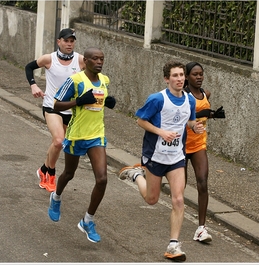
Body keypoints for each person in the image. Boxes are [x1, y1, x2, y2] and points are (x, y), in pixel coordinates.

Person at [118, 61, 204, 262]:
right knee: (151, 199)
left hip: (176, 157)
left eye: (182, 75)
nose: (180, 79)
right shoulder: (157, 99)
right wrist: (161, 132)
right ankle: (137, 174)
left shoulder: (190, 101)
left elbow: (189, 120)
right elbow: (140, 120)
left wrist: (194, 127)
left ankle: (173, 245)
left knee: (178, 199)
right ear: (167, 79)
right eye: (175, 76)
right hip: (155, 156)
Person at [48, 47, 116, 243]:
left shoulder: (104, 80)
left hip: (97, 135)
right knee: (69, 174)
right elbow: (56, 104)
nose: (99, 62)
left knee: (102, 179)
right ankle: (56, 198)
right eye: (95, 58)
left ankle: (87, 220)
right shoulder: (75, 80)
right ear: (85, 61)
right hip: (76, 136)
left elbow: (99, 103)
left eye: (102, 58)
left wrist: (108, 102)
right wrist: (78, 101)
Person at [24, 28, 85, 192]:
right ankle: (50, 174)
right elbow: (29, 67)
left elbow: (92, 77)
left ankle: (43, 168)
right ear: (59, 41)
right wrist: (33, 85)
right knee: (59, 140)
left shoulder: (80, 61)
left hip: (70, 110)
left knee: (58, 144)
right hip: (51, 106)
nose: (69, 44)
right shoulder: (49, 59)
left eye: (72, 41)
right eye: (66, 41)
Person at [183, 61, 225, 243]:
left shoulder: (205, 94)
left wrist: (213, 114)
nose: (199, 77)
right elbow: (179, 117)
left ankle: (201, 228)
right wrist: (204, 114)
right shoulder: (182, 95)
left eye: (201, 74)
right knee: (179, 186)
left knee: (203, 182)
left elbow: (204, 113)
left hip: (199, 145)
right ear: (186, 77)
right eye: (195, 74)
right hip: (181, 145)